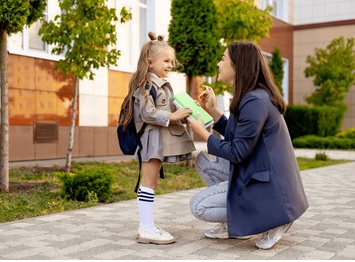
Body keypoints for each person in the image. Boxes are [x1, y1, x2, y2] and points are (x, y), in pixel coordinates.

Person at [187, 42, 309, 250]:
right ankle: (231, 226)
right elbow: (239, 136)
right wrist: (214, 111)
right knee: (203, 161)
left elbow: (237, 151)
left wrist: (204, 135)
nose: (218, 63)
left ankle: (276, 218)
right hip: (255, 172)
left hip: (267, 184)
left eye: (223, 59)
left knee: (198, 206)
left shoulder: (254, 101)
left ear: (237, 65)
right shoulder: (249, 95)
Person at [119, 32, 195, 245]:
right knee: (148, 181)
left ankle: (147, 225)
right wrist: (172, 116)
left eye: (172, 61)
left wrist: (185, 111)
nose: (170, 65)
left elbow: (165, 108)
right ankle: (146, 227)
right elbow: (147, 113)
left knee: (151, 182)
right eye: (166, 61)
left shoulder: (161, 85)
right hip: (151, 140)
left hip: (158, 138)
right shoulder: (144, 86)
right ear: (150, 63)